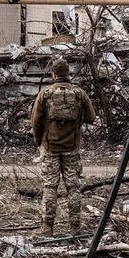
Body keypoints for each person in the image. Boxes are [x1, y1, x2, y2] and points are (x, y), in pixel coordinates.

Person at [30, 58, 96, 237]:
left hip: (50, 147)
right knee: (73, 188)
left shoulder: (45, 94)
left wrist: (40, 142)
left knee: (50, 187)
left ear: (53, 74)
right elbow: (91, 118)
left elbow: (35, 121)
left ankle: (47, 228)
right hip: (72, 147)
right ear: (68, 74)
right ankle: (75, 228)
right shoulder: (79, 93)